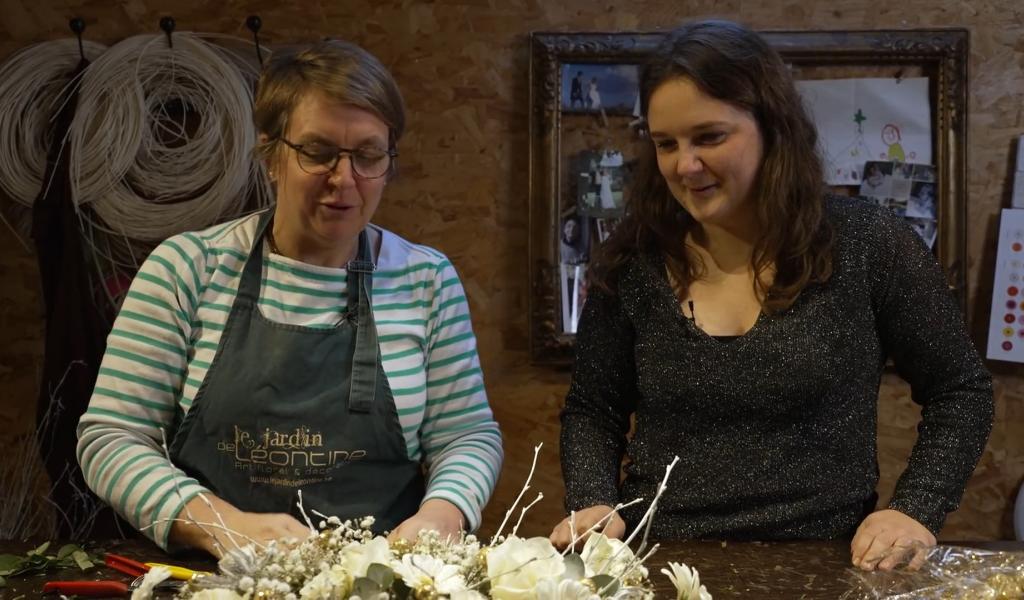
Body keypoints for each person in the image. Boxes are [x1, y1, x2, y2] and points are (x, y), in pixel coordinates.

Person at [550, 20, 992, 573]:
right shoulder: (634, 259)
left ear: (772, 128)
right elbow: (595, 408)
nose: (685, 165)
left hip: (828, 565)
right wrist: (594, 500)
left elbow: (961, 390)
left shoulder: (868, 243)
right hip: (661, 564)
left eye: (709, 137)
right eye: (666, 144)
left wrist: (915, 509)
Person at [77, 40, 503, 557]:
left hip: (383, 578)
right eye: (318, 152)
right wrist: (222, 526)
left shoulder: (426, 281)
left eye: (368, 155)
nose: (344, 180)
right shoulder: (188, 270)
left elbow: (466, 436)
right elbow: (113, 438)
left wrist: (443, 514)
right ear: (270, 156)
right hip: (214, 580)